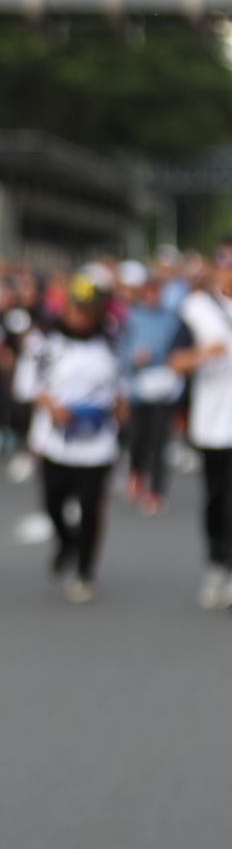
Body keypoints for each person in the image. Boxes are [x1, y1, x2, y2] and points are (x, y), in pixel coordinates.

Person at [14, 273, 124, 603]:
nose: (82, 317)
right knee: (53, 502)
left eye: (89, 311)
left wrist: (122, 407)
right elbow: (26, 385)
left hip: (97, 441)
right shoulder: (44, 341)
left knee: (91, 506)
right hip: (56, 440)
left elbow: (121, 383)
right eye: (77, 309)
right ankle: (65, 542)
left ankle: (85, 571)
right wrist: (52, 406)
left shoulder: (111, 341)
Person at [168, 246, 232, 608]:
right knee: (216, 501)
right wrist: (205, 353)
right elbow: (174, 361)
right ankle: (216, 563)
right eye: (225, 266)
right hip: (212, 426)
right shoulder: (196, 310)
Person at [118, 264, 181, 514]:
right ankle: (136, 472)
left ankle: (156, 490)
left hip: (162, 386)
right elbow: (121, 348)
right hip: (138, 388)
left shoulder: (171, 318)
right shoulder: (132, 317)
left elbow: (177, 348)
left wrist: (156, 355)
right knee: (136, 439)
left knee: (158, 442)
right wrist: (132, 358)